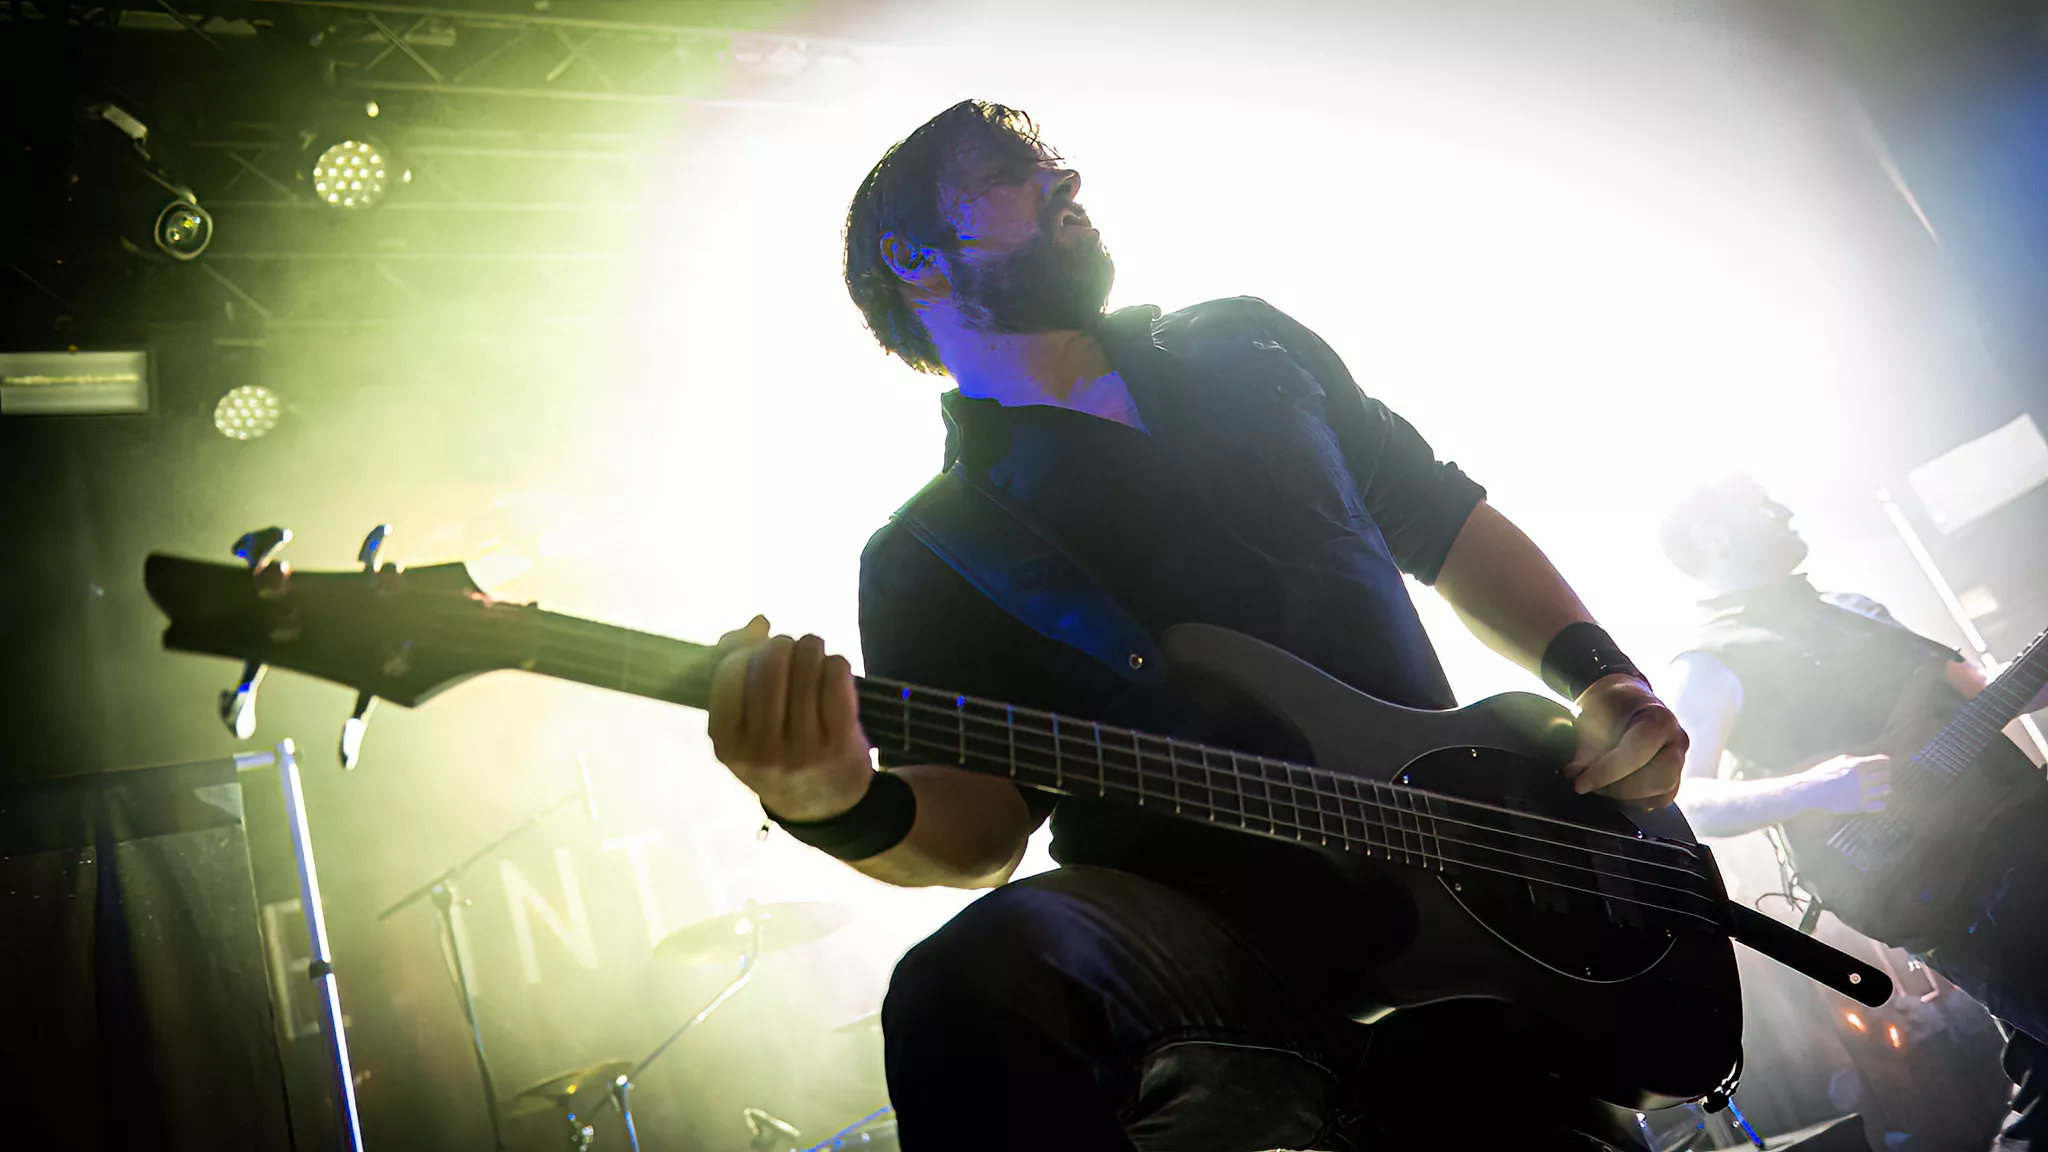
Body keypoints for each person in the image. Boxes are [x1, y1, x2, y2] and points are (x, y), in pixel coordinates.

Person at [704, 100, 1689, 1151]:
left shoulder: (1247, 344)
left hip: (1480, 906)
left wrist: (1602, 675)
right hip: (1215, 956)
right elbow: (983, 827)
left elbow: (1442, 519)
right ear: (915, 260)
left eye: (1056, 164)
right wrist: (835, 804)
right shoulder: (928, 551)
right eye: (1006, 173)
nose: (1064, 183)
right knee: (981, 984)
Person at [1659, 473, 2048, 1151]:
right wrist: (1811, 789)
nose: (1783, 510)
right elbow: (1686, 800)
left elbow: (1984, 694)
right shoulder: (1710, 662)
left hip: (2023, 820)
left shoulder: (1856, 610)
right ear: (1712, 536)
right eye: (1760, 506)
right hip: (1948, 884)